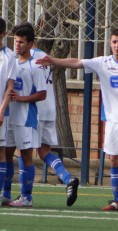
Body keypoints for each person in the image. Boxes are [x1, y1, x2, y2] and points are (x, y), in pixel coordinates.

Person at [36, 28, 118, 211]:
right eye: (114, 42)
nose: (117, 45)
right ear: (110, 44)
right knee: (115, 160)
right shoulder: (103, 62)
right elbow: (77, 62)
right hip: (111, 120)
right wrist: (53, 60)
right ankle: (117, 201)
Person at [4, 22, 47, 207]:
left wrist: (22, 99)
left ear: (31, 44)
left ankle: (26, 197)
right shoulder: (10, 61)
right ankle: (5, 194)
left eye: (21, 42)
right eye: (15, 41)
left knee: (25, 156)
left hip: (26, 118)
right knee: (6, 155)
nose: (17, 45)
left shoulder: (35, 66)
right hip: (8, 117)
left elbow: (42, 93)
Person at [31, 46, 79, 207]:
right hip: (49, 108)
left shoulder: (28, 58)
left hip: (35, 109)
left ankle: (24, 194)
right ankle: (67, 178)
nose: (17, 44)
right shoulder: (44, 55)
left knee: (25, 150)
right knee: (44, 151)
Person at [0, 18, 17, 206]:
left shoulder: (9, 56)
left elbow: (9, 87)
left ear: (4, 35)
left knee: (1, 152)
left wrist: (2, 110)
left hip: (0, 111)